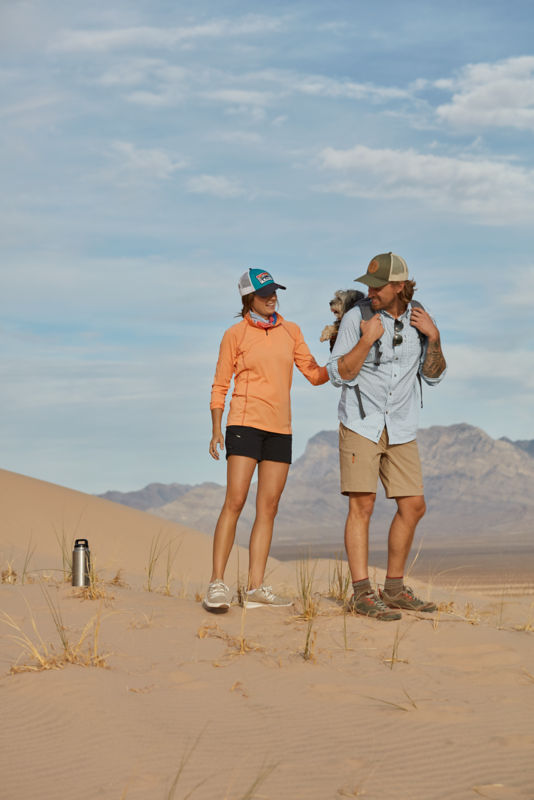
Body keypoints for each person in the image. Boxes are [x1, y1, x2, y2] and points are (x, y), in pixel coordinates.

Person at [327, 252, 446, 621]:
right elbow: (337, 374)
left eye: (378, 286)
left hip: (401, 425)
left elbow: (434, 375)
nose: (371, 291)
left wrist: (435, 336)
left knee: (414, 506)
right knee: (362, 505)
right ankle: (362, 593)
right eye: (368, 285)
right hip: (362, 423)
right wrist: (366, 342)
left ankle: (393, 589)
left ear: (399, 286)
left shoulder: (419, 317)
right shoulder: (356, 317)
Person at [203, 268, 329, 612]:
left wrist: (345, 357)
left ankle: (255, 587)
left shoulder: (292, 331)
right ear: (249, 299)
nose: (272, 297)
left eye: (274, 291)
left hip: (280, 429)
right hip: (244, 424)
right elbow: (219, 385)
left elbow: (316, 375)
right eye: (264, 293)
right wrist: (217, 428)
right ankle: (217, 583)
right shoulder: (235, 334)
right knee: (235, 501)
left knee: (268, 508)